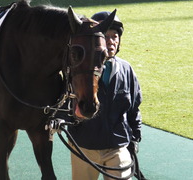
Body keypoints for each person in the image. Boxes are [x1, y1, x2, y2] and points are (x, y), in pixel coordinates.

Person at [67, 11, 142, 180]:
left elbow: (134, 107)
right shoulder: (76, 70)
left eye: (115, 36)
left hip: (118, 147)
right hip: (84, 148)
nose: (111, 41)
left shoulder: (126, 69)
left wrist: (135, 138)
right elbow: (62, 105)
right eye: (106, 37)